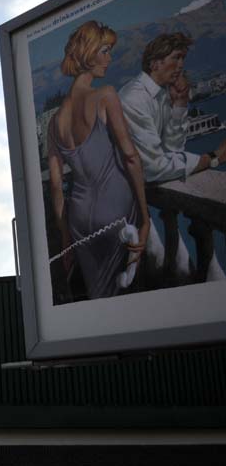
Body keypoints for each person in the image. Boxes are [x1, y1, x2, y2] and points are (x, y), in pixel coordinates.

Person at [47, 20, 150, 300]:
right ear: (89, 53)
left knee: (99, 297)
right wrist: (146, 216)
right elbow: (130, 156)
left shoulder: (55, 122)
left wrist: (66, 235)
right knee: (128, 295)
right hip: (115, 213)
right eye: (104, 51)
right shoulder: (105, 96)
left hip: (80, 221)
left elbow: (57, 188)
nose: (109, 58)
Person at [119, 32, 226, 281]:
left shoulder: (159, 95)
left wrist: (179, 105)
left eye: (183, 59)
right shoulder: (135, 98)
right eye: (176, 58)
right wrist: (213, 158)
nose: (181, 66)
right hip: (126, 206)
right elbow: (155, 167)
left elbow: (172, 150)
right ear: (155, 62)